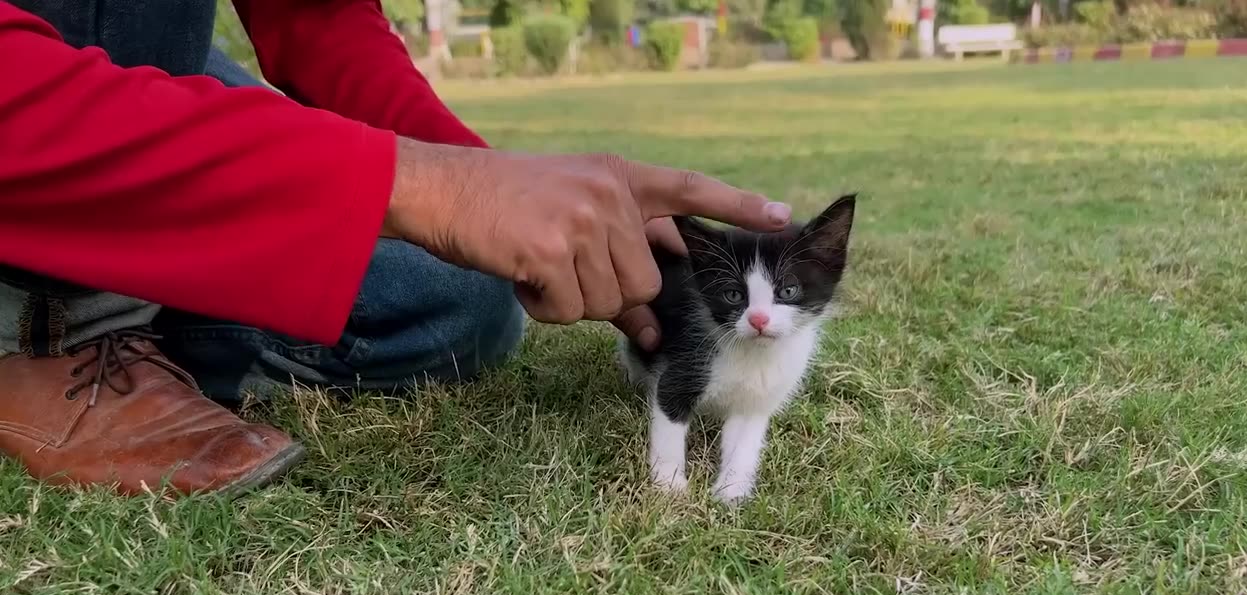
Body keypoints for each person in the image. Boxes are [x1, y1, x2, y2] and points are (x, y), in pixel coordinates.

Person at [0, 0, 792, 496]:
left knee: (461, 298)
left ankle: (125, 262)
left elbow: (316, 16)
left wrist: (477, 181)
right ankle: (53, 321)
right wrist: (418, 186)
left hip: (117, 64)